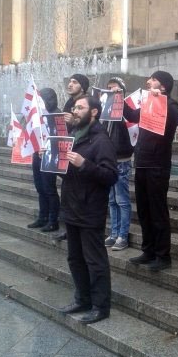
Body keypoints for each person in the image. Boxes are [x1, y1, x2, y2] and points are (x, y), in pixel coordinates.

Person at [58, 95, 117, 324]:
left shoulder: (101, 140)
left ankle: (100, 306)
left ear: (93, 112)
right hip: (72, 206)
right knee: (75, 258)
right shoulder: (74, 136)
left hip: (90, 209)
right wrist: (52, 161)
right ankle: (82, 299)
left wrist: (85, 164)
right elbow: (68, 172)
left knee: (94, 260)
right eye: (74, 107)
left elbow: (110, 175)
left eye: (80, 107)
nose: (75, 111)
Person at [123, 70, 178, 272]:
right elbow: (131, 116)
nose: (148, 82)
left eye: (153, 79)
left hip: (158, 165)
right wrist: (118, 99)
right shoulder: (147, 103)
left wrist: (161, 101)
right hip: (142, 163)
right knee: (144, 210)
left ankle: (162, 255)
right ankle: (148, 250)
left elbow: (173, 120)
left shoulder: (172, 106)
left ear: (163, 86)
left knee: (158, 212)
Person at [104, 77, 133, 251]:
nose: (111, 92)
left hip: (121, 160)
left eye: (115, 89)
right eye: (109, 89)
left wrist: (119, 100)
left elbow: (133, 120)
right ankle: (114, 233)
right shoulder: (105, 110)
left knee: (122, 200)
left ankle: (123, 235)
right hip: (108, 160)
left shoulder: (124, 109)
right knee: (112, 200)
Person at [27, 87, 61, 232]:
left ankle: (53, 220)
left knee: (49, 189)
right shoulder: (38, 114)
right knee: (40, 188)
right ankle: (43, 217)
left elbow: (60, 136)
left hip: (50, 155)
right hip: (38, 153)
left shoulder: (57, 114)